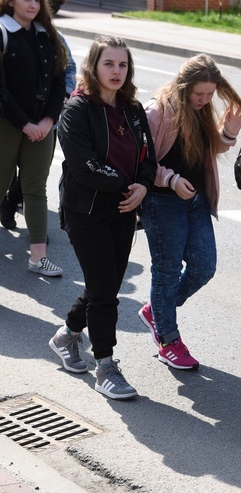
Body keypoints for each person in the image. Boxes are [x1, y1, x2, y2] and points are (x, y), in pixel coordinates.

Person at [51, 36, 156, 399]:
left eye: (122, 65)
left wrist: (143, 186)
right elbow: (85, 167)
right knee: (104, 291)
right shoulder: (77, 110)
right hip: (87, 211)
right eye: (109, 63)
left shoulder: (134, 109)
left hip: (124, 210)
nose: (116, 71)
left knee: (104, 286)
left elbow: (148, 158)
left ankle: (66, 336)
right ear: (93, 66)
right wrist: (129, 186)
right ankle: (106, 366)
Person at [138, 54, 241, 370]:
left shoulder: (200, 112)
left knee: (204, 266)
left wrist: (228, 132)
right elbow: (139, 162)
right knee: (167, 269)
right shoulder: (157, 111)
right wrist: (170, 180)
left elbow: (209, 149)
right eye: (198, 94)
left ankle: (157, 312)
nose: (203, 100)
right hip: (163, 201)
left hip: (196, 200)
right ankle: (169, 341)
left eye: (209, 95)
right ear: (183, 86)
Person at [0, 0, 67, 275]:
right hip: (8, 125)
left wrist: (49, 120)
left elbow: (59, 79)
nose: (33, 5)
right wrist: (25, 124)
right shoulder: (3, 31)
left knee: (36, 190)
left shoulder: (47, 35)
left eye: (37, 0)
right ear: (10, 1)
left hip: (42, 127)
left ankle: (38, 258)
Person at [0, 29, 75, 230]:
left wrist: (63, 98)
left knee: (34, 176)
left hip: (45, 121)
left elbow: (68, 69)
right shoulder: (5, 33)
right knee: (5, 173)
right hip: (9, 118)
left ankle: (13, 206)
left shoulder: (53, 36)